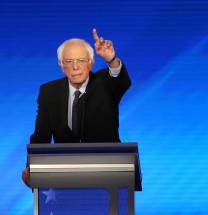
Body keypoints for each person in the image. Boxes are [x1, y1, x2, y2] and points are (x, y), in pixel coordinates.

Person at [22, 28, 131, 186]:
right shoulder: (48, 92)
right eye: (69, 61)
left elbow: (121, 81)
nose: (75, 67)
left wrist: (111, 59)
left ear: (90, 62)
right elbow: (40, 136)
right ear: (61, 65)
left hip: (108, 172)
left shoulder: (105, 83)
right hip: (65, 175)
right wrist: (32, 169)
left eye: (80, 60)